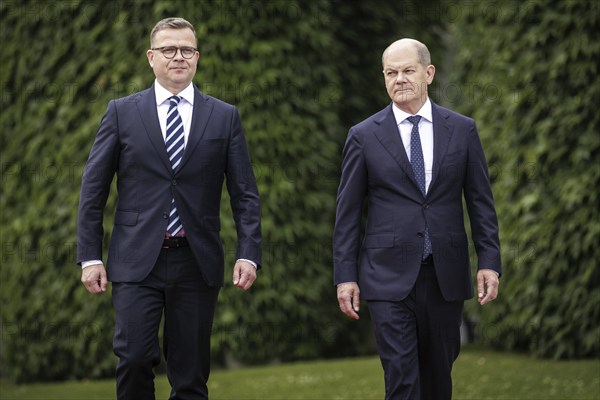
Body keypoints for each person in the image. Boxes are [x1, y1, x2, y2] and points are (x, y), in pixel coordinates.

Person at [77, 17, 261, 399]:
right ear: (151, 57)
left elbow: (244, 193)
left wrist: (249, 253)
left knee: (191, 375)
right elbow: (93, 189)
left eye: (187, 50)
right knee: (133, 358)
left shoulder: (224, 116)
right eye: (169, 50)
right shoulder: (121, 113)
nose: (179, 57)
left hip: (196, 261)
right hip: (135, 261)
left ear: (196, 56)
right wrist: (89, 257)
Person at [333, 38, 501, 399]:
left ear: (428, 73)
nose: (400, 79)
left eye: (408, 70)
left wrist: (489, 261)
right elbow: (346, 215)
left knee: (439, 378)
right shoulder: (363, 136)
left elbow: (480, 202)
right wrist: (345, 276)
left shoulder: (462, 129)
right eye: (391, 73)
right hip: (386, 276)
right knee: (401, 380)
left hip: (445, 274)